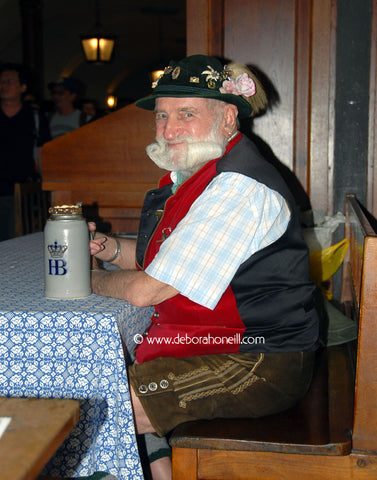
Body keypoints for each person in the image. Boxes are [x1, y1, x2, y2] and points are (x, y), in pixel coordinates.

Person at [89, 54, 320, 480]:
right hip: (224, 345)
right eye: (161, 116)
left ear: (228, 117)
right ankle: (163, 472)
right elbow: (158, 262)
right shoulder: (198, 177)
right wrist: (105, 249)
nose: (168, 129)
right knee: (109, 371)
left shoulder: (237, 186)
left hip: (258, 361)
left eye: (186, 114)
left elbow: (146, 290)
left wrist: (86, 280)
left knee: (99, 406)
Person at [0, 62, 50, 241]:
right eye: (1, 81)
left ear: (22, 87)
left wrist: (46, 186)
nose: (4, 85)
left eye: (9, 81)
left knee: (17, 238)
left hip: (21, 191)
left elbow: (41, 151)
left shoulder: (35, 117)